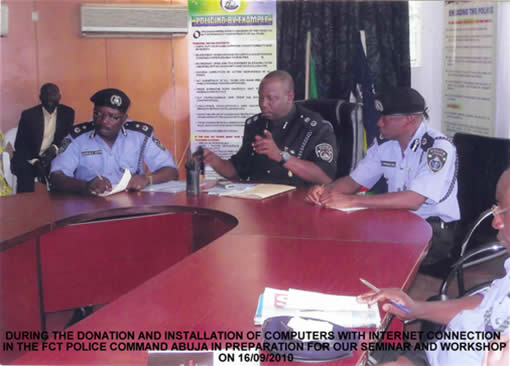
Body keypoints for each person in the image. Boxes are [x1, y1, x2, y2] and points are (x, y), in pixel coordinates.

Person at [357, 168, 510, 365]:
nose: (495, 222)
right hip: (433, 355)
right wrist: (416, 309)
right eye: (495, 209)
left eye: (503, 213)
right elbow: (487, 305)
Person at [306, 87, 459, 275]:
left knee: (363, 252)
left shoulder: (437, 148)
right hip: (397, 221)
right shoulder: (385, 144)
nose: (379, 122)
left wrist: (353, 200)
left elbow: (413, 200)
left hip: (432, 230)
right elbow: (354, 181)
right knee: (341, 234)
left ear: (409, 119)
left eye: (386, 117)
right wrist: (325, 191)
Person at [198, 70, 338, 186]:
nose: (263, 104)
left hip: (298, 204)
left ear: (289, 97)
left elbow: (325, 177)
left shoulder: (315, 127)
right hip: (257, 203)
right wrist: (213, 160)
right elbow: (238, 172)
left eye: (271, 98)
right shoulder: (255, 125)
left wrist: (281, 156)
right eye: (260, 98)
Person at [50, 88, 178, 195]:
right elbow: (56, 178)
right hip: (89, 205)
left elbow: (171, 171)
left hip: (133, 205)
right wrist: (86, 186)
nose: (104, 121)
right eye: (98, 114)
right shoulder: (77, 137)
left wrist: (147, 179)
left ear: (124, 119)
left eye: (113, 117)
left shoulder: (140, 135)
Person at [11, 83, 75, 193]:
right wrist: (35, 161)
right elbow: (20, 145)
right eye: (46, 94)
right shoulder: (29, 115)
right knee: (25, 172)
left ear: (59, 97)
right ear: (40, 97)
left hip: (54, 155)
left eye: (53, 94)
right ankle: (26, 206)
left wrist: (54, 149)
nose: (49, 97)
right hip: (30, 157)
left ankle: (59, 205)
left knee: (63, 170)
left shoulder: (68, 113)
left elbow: (66, 138)